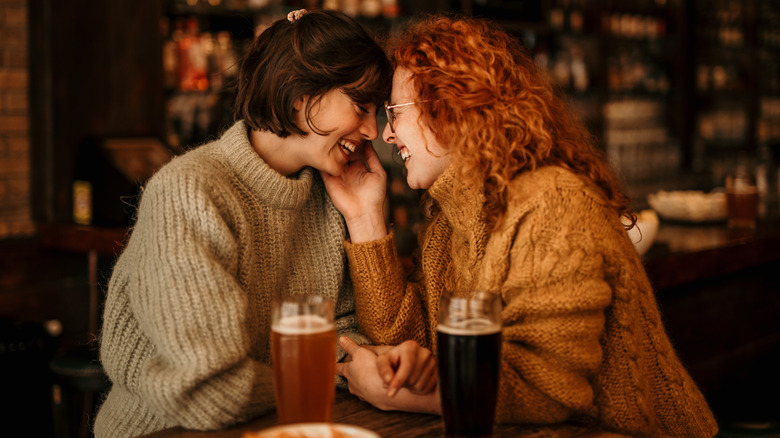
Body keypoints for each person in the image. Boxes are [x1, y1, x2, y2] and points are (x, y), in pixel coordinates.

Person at [322, 15, 719, 437]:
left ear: (454, 105)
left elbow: (542, 389)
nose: (386, 135)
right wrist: (364, 216)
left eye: (395, 112)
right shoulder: (448, 219)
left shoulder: (552, 202)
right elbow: (415, 348)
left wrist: (396, 395)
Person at [94, 9, 391, 438]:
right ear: (299, 95)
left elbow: (346, 336)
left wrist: (367, 215)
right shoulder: (190, 192)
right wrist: (333, 376)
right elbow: (210, 391)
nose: (372, 131)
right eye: (361, 106)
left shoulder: (326, 196)